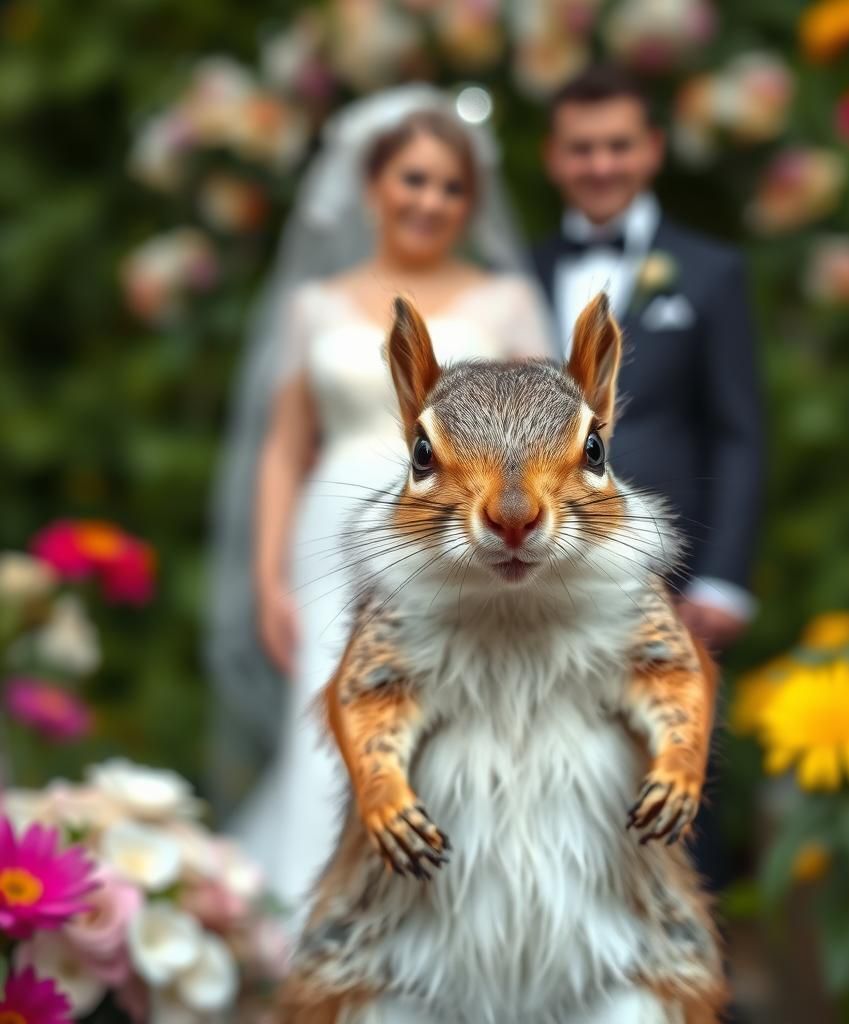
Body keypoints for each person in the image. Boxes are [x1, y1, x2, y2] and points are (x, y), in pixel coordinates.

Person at [206, 85, 555, 918]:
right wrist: (266, 577)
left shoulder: (505, 304)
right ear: (372, 188)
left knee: (454, 716)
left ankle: (453, 919)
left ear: (472, 202)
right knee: (331, 716)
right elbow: (284, 448)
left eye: (450, 186)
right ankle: (320, 921)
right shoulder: (312, 308)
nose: (430, 201)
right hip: (330, 539)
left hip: (458, 539)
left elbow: (548, 435)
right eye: (413, 180)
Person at [532, 65, 765, 887]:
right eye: (581, 148)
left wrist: (727, 578)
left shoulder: (709, 274)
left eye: (618, 145)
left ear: (653, 150)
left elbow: (739, 433)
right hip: (538, 580)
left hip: (671, 579)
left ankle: (699, 998)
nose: (601, 164)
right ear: (553, 158)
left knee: (678, 778)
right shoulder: (514, 276)